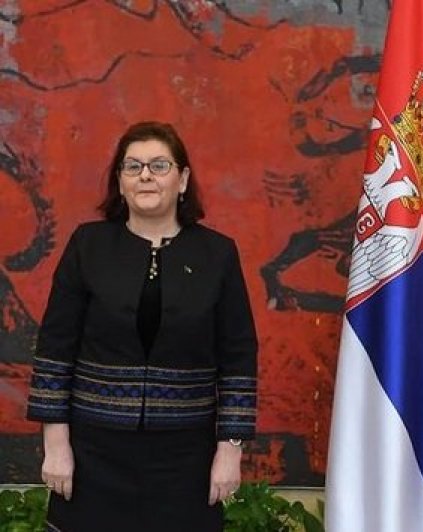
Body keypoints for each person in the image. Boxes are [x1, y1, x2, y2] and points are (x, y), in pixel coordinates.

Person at [26, 121, 258, 532]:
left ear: (182, 180)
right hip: (93, 454)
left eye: (159, 165)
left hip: (186, 458)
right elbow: (55, 350)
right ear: (120, 182)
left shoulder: (217, 254)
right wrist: (56, 446)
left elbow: (238, 357)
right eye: (132, 166)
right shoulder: (88, 246)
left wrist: (230, 450)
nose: (145, 175)